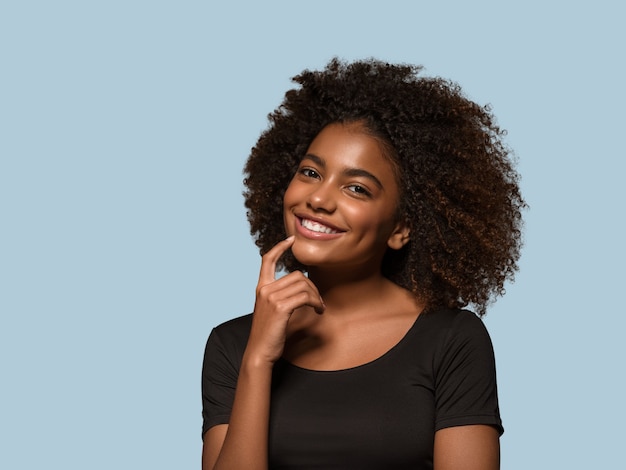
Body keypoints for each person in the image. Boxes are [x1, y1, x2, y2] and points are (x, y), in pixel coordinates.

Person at [201, 58, 525, 470]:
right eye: (310, 171)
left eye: (356, 187)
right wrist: (258, 359)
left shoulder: (452, 341)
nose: (318, 199)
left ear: (402, 228)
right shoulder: (232, 346)